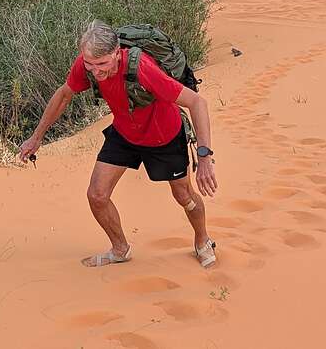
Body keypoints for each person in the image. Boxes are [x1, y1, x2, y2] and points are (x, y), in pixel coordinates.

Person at [19, 20, 219, 268]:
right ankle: (120, 249)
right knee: (97, 195)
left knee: (184, 196)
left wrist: (204, 158)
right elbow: (63, 95)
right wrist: (36, 137)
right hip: (125, 133)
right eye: (90, 64)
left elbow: (197, 102)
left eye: (102, 64)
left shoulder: (142, 68)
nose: (95, 72)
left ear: (116, 53)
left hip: (163, 136)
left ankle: (202, 240)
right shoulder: (87, 64)